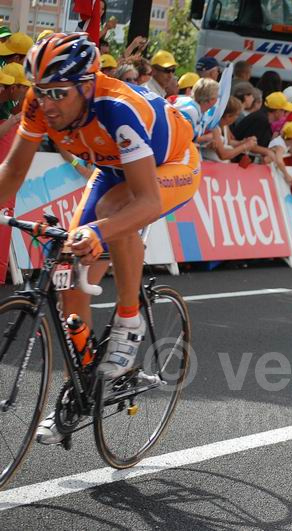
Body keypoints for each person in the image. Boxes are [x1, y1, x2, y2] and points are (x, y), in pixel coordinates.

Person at [0, 33, 200, 444]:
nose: (47, 102)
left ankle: (129, 322)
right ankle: (82, 386)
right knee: (69, 270)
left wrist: (97, 231)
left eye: (58, 91)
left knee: (112, 214)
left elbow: (144, 202)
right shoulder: (39, 104)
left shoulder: (117, 110)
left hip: (172, 165)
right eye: (40, 90)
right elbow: (13, 173)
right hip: (113, 167)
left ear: (88, 86)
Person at [230, 91, 292, 161]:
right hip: (236, 160)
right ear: (277, 111)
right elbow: (250, 144)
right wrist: (268, 151)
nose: (285, 114)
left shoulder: (262, 117)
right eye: (284, 111)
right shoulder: (261, 120)